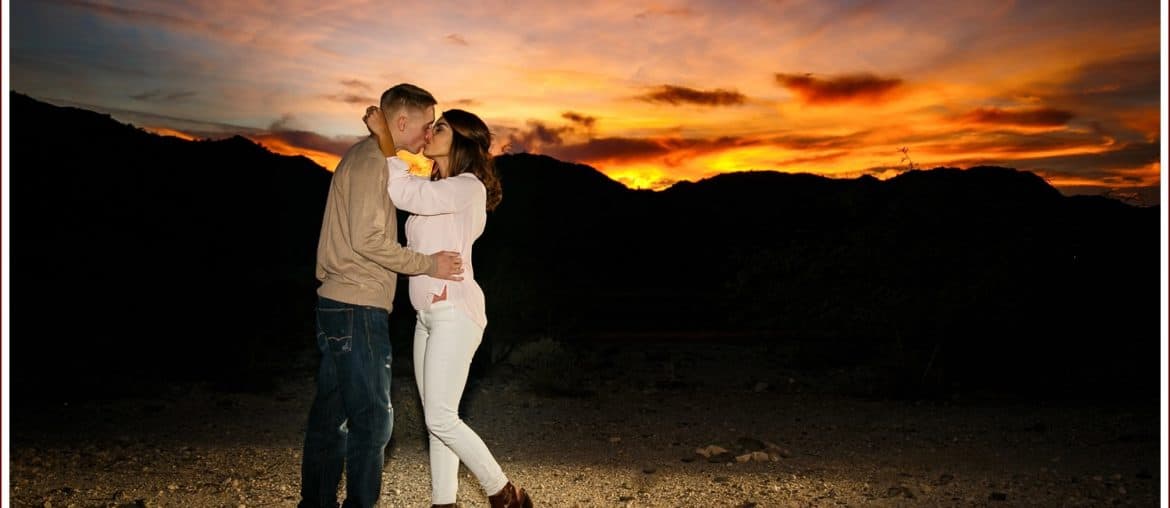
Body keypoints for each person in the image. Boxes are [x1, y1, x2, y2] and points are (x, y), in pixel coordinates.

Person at [301, 83, 466, 508]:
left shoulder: (370, 156)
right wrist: (429, 263)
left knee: (330, 415)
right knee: (374, 421)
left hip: (339, 302)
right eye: (427, 124)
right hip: (357, 304)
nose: (429, 134)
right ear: (404, 121)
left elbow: (408, 189)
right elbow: (368, 240)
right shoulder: (371, 161)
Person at [363, 105, 534, 508]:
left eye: (439, 127)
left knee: (440, 416)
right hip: (427, 317)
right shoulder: (440, 185)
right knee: (436, 419)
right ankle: (444, 503)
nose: (430, 131)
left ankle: (504, 494)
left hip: (455, 312)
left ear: (458, 140)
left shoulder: (467, 186)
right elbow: (410, 195)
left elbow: (403, 192)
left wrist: (386, 140)